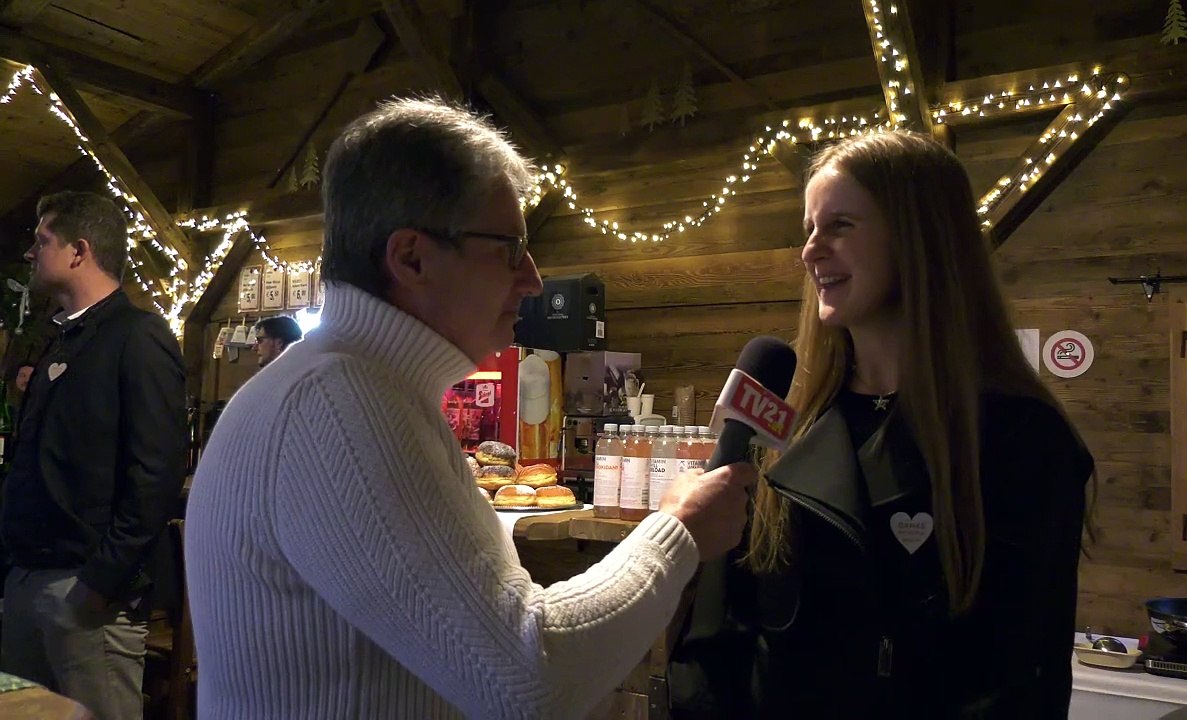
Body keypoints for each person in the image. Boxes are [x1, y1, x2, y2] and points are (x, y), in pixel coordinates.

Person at [185, 96, 755, 720]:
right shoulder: (339, 405)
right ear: (411, 258)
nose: (533, 279)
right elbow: (528, 676)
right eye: (509, 248)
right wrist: (677, 535)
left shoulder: (357, 387)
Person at [669, 131, 1095, 718]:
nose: (811, 251)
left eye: (840, 225)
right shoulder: (780, 419)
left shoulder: (1023, 437)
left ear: (921, 239)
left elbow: (1025, 678)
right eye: (809, 229)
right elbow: (716, 638)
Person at [1, 191, 187, 720]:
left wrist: (100, 584)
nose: (31, 253)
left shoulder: (138, 337)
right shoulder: (64, 339)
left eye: (42, 241)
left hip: (83, 592)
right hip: (28, 577)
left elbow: (155, 472)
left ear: (79, 251)